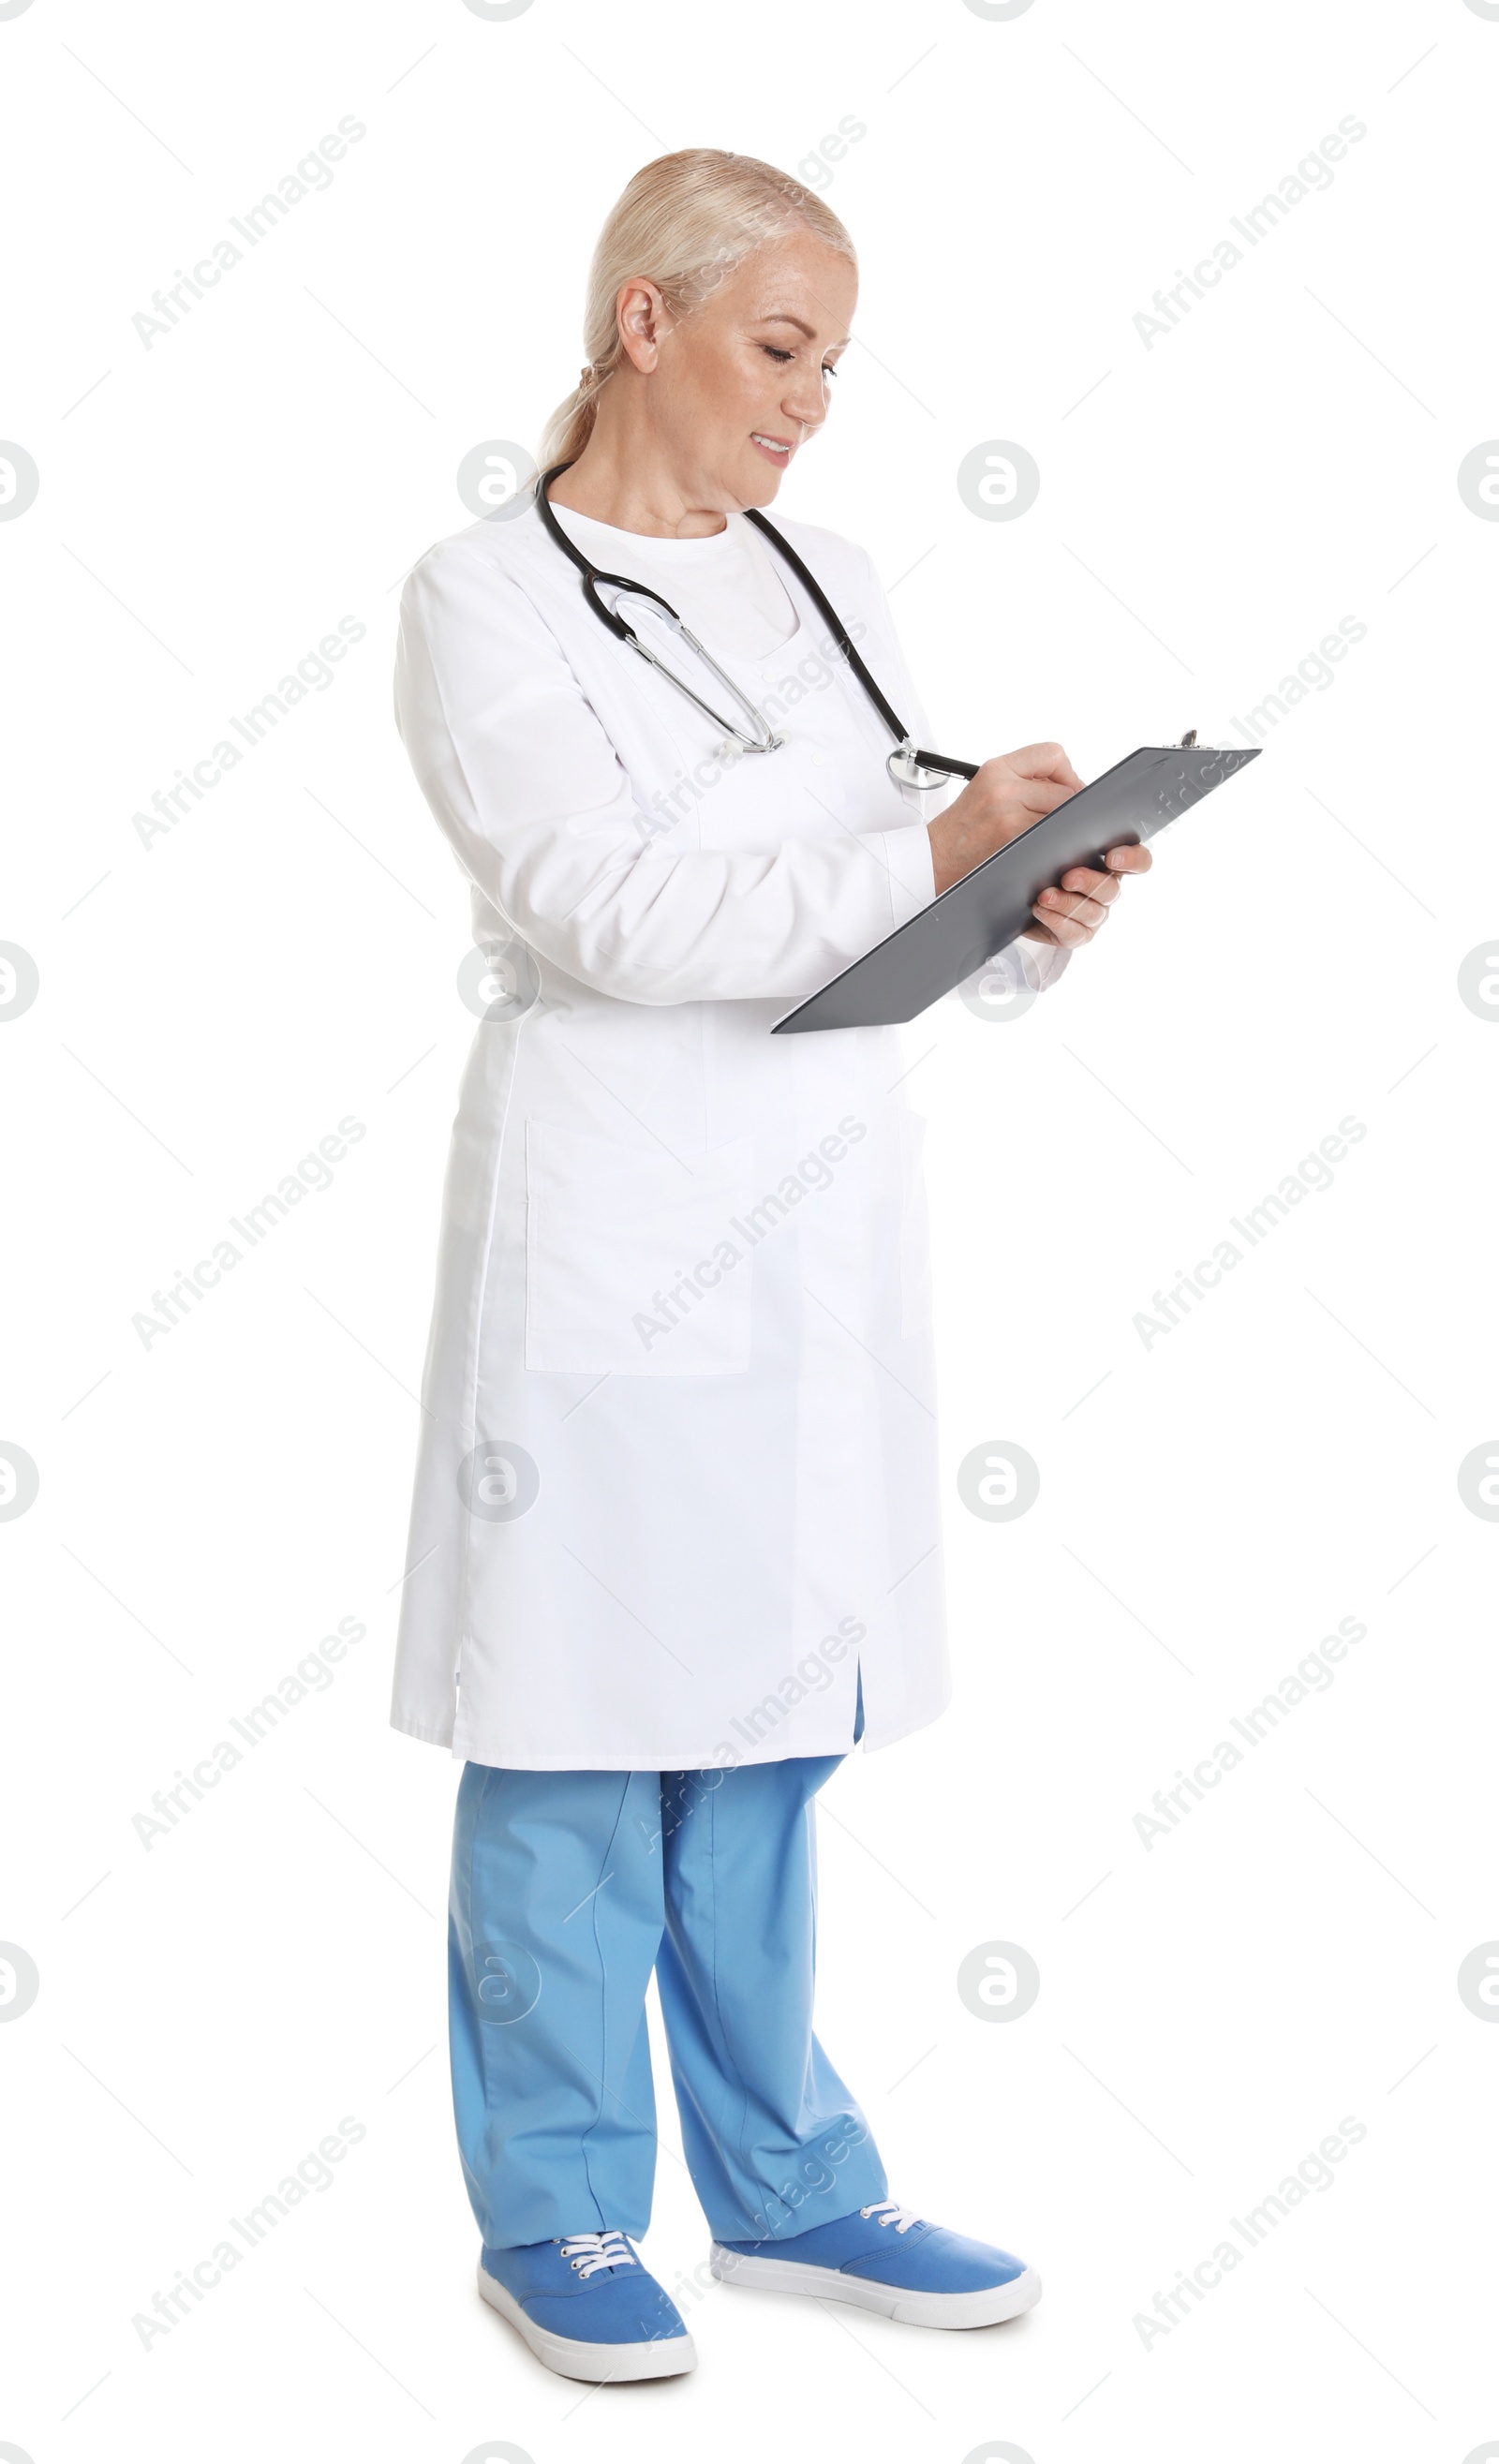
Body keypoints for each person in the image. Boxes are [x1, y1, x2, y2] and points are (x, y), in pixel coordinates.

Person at [390, 148, 1152, 2384]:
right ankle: (556, 2212)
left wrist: (1008, 911)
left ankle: (793, 2189)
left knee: (760, 1728)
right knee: (568, 1730)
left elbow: (852, 898)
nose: (810, 403)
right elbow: (595, 909)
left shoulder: (828, 574)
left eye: (831, 359)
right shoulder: (482, 594)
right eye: (778, 346)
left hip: (812, 1208)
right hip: (614, 1212)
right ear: (647, 323)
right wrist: (917, 851)